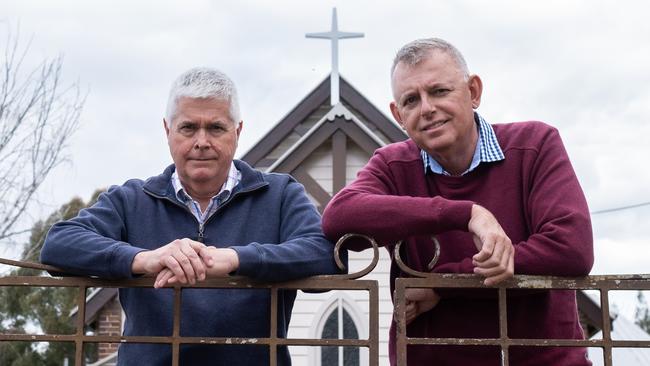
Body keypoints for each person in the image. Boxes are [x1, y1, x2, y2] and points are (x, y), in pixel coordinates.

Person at [40, 67, 343, 365]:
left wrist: (235, 259)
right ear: (167, 131)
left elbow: (325, 254)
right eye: (188, 128)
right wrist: (145, 259)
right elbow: (59, 243)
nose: (201, 141)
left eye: (215, 128)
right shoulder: (130, 200)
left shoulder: (280, 195)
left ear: (237, 132)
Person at [322, 38, 594, 366]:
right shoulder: (393, 165)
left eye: (439, 91)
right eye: (411, 100)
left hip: (540, 359)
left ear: (474, 91)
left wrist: (443, 285)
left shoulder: (534, 145)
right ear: (398, 115)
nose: (427, 109)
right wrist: (465, 213)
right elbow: (338, 216)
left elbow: (571, 249)